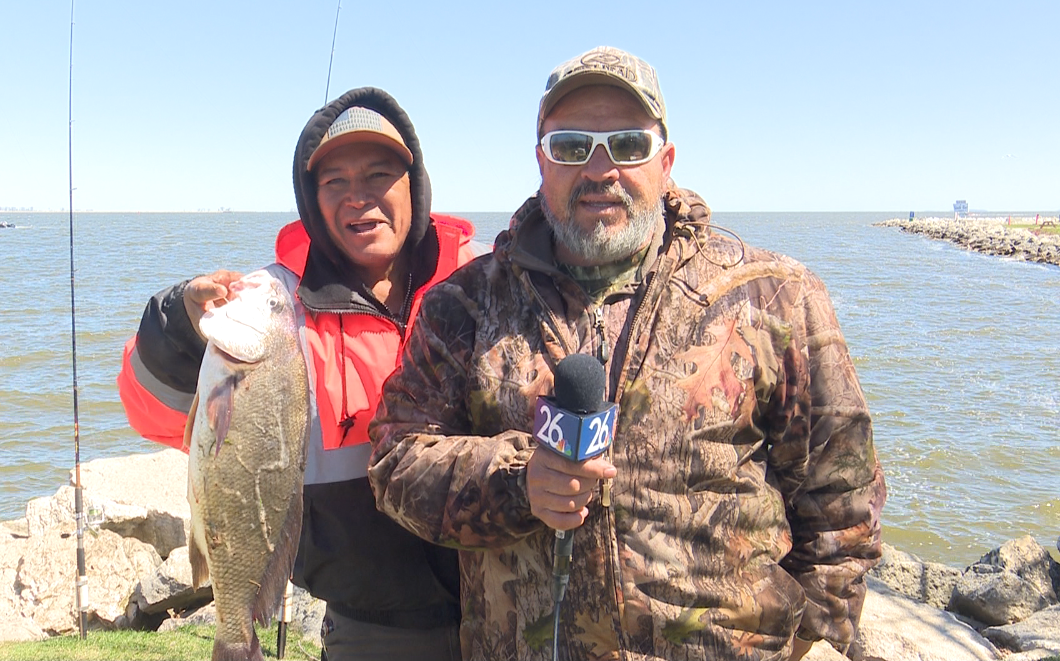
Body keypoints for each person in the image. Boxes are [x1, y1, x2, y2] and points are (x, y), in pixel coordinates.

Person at [368, 47, 886, 661]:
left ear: (666, 162)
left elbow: (840, 493)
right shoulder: (463, 304)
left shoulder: (775, 296)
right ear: (541, 164)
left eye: (627, 145)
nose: (600, 168)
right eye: (571, 147)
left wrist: (819, 636)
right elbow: (394, 461)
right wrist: (515, 483)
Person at [118, 87, 487, 661]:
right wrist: (181, 326)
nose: (358, 198)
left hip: (508, 606)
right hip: (373, 628)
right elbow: (152, 414)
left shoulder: (482, 280)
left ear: (413, 182)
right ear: (311, 199)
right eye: (334, 182)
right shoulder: (277, 301)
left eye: (378, 174)